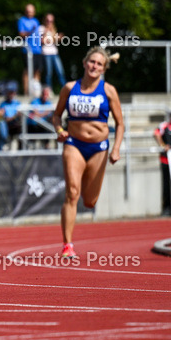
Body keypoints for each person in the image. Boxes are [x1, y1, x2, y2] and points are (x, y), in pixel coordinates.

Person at [52, 47, 125, 257]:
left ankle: (70, 239)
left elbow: (120, 124)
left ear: (104, 69)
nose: (94, 66)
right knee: (72, 193)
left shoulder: (109, 90)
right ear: (84, 63)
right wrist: (59, 130)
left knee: (89, 201)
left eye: (99, 64)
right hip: (73, 144)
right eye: (92, 62)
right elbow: (56, 116)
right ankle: (68, 245)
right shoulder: (69, 88)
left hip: (99, 148)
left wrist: (116, 149)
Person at [18, 3, 42, 95]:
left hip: (37, 50)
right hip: (28, 49)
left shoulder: (36, 21)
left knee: (37, 70)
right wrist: (30, 31)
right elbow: (21, 34)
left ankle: (36, 92)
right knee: (27, 71)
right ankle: (26, 92)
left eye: (31, 11)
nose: (29, 13)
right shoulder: (22, 20)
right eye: (28, 11)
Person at [39, 14, 64, 92]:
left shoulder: (54, 29)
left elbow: (53, 40)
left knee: (60, 72)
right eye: (48, 20)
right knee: (48, 74)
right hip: (46, 53)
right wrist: (48, 33)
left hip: (55, 53)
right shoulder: (41, 28)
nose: (50, 22)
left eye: (51, 21)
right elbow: (42, 41)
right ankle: (49, 91)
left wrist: (55, 38)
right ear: (45, 20)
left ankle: (65, 90)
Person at [0, 85, 22, 150]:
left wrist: (12, 117)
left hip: (15, 123)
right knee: (1, 123)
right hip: (5, 123)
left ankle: (21, 149)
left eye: (12, 93)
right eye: (9, 93)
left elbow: (19, 114)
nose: (11, 94)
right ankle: (2, 146)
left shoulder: (18, 103)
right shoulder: (3, 104)